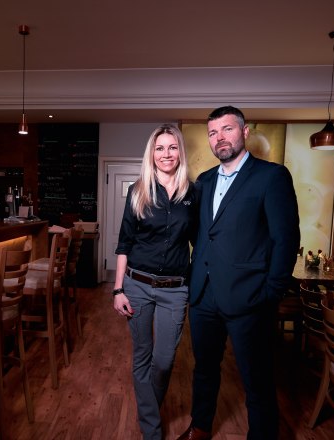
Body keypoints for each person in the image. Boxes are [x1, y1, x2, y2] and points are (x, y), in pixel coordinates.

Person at [178, 106, 300, 440]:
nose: (220, 138)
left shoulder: (271, 177)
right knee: (204, 370)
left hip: (249, 298)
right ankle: (201, 427)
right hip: (203, 296)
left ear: (244, 132)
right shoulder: (203, 182)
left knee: (256, 378)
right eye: (213, 132)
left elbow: (286, 239)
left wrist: (271, 293)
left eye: (227, 129)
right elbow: (202, 234)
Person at [112, 124, 198, 440]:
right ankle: (152, 430)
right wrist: (118, 288)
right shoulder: (138, 191)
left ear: (180, 152)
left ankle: (149, 408)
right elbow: (124, 243)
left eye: (172, 147)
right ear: (152, 153)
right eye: (159, 148)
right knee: (142, 356)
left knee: (164, 361)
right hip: (137, 284)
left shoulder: (193, 193)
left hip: (175, 289)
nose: (166, 154)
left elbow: (200, 241)